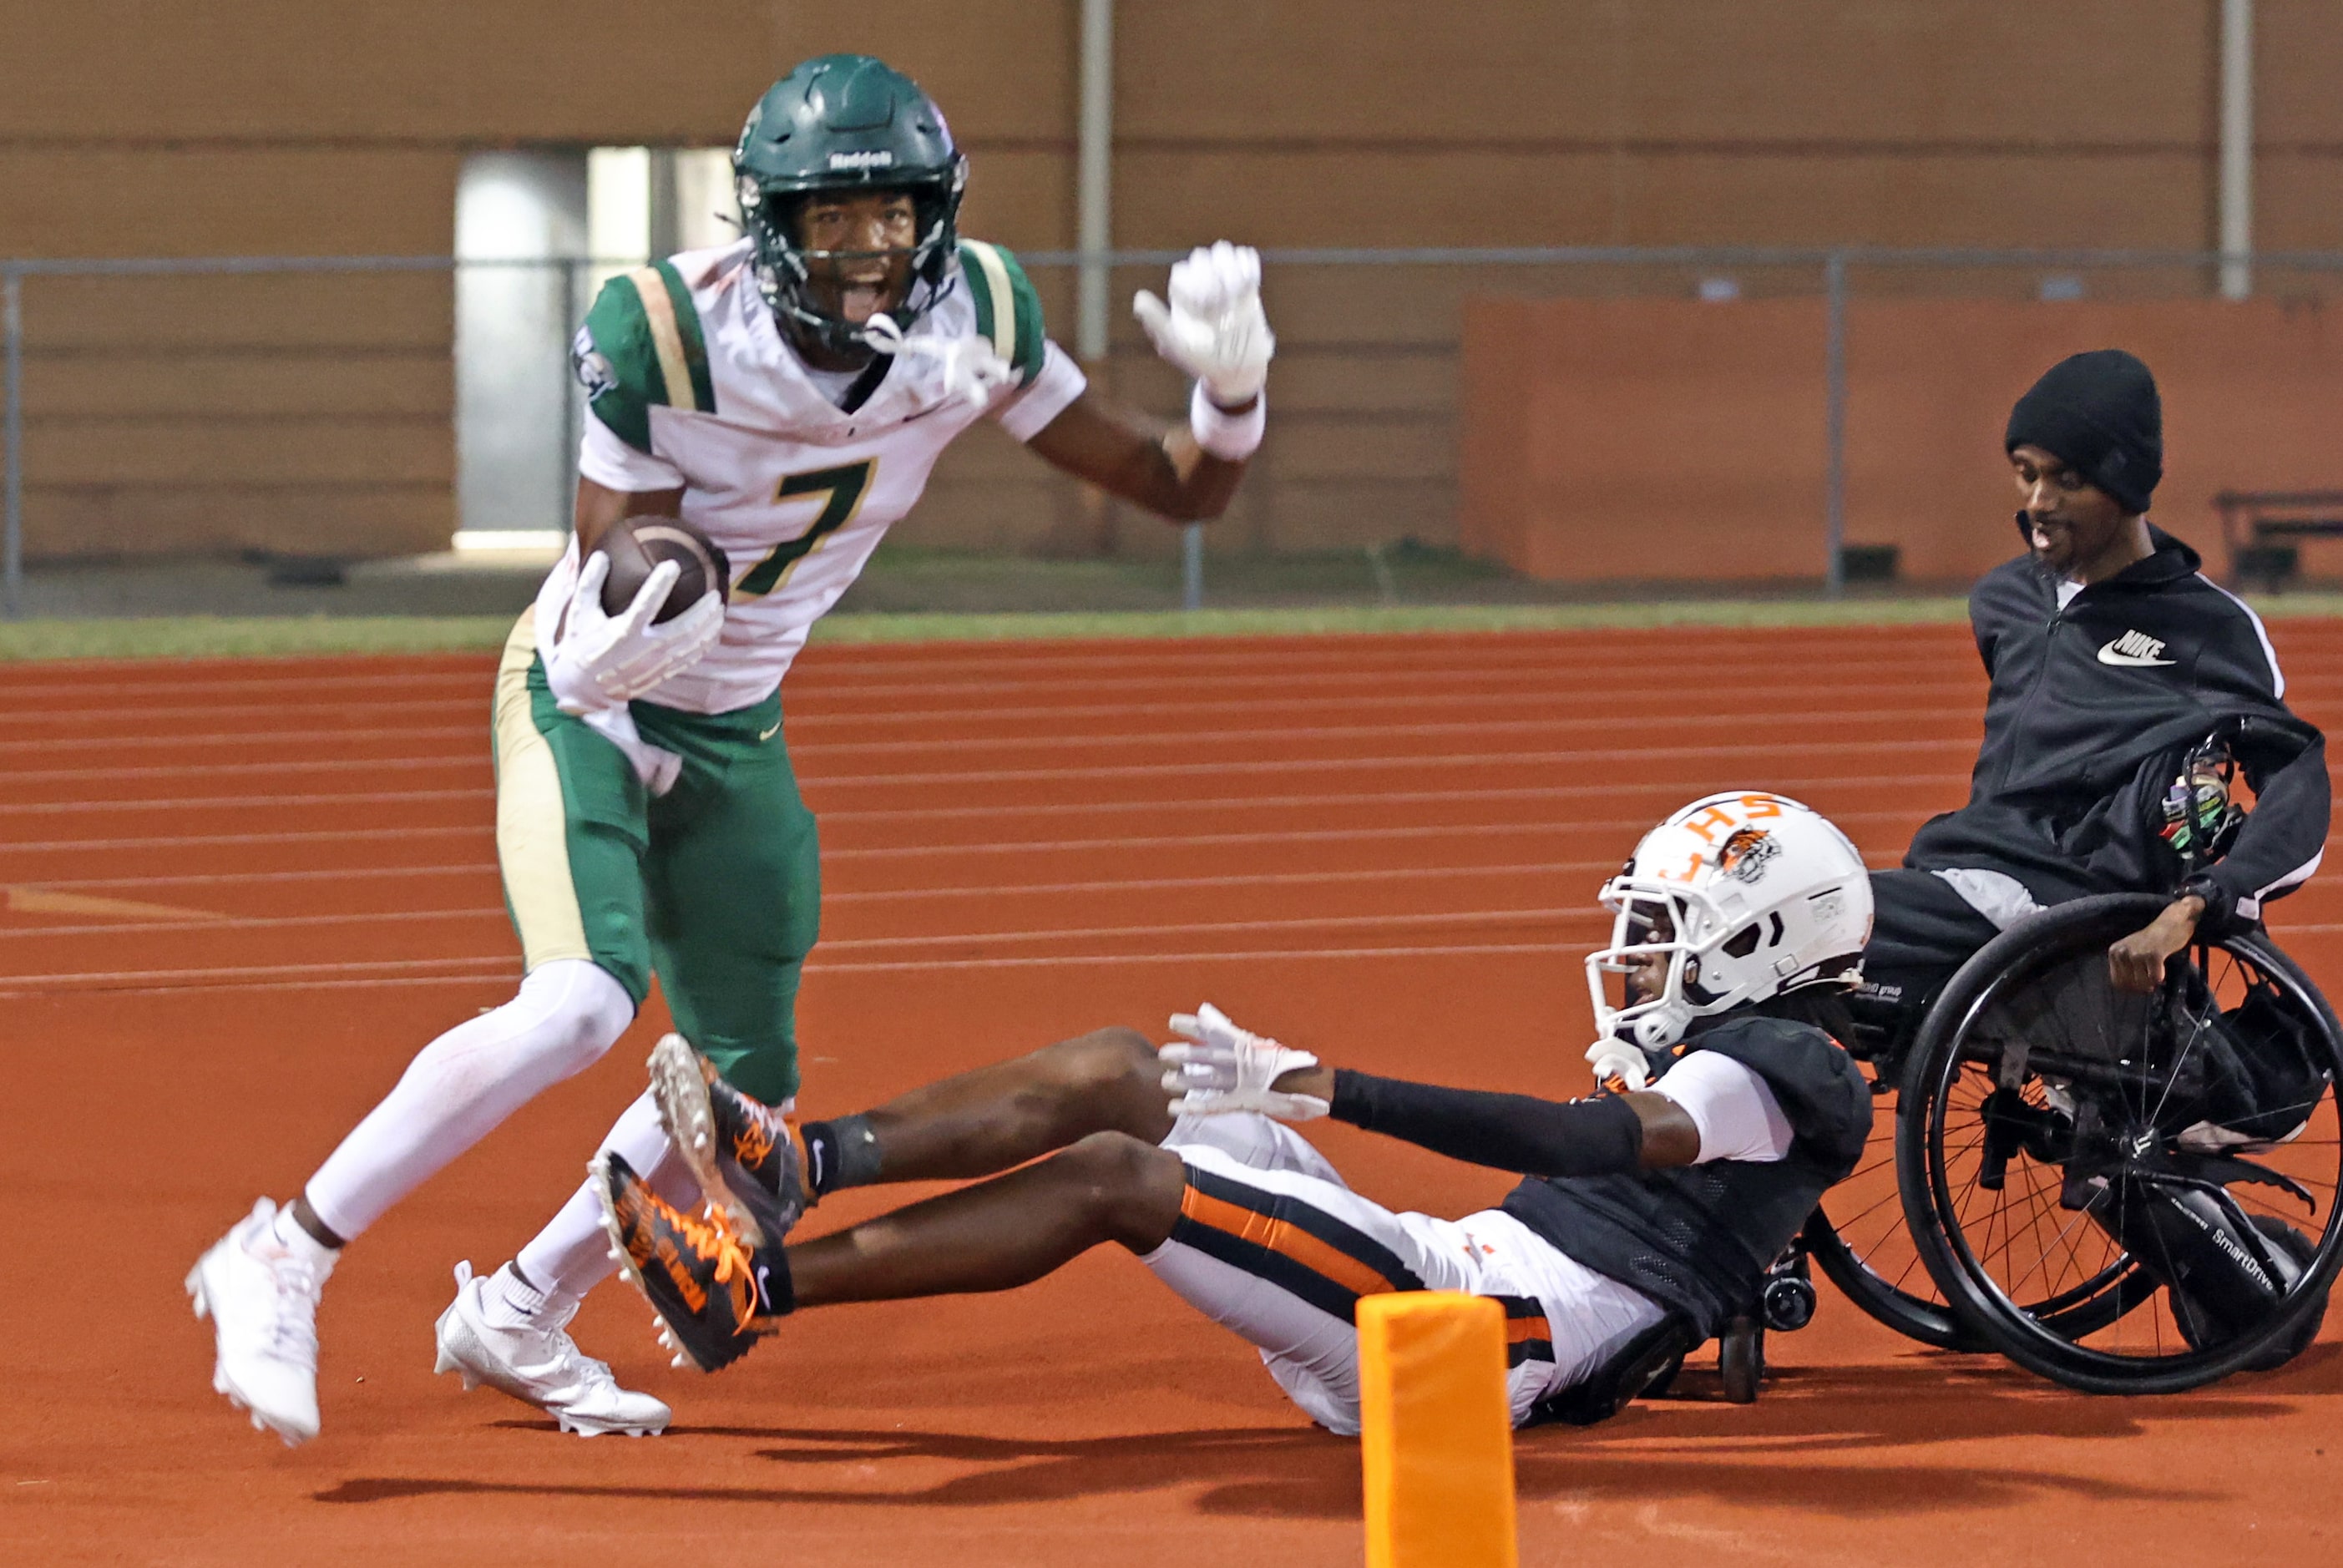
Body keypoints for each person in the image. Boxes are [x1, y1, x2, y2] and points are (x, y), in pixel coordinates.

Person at [187, 53, 1278, 1446]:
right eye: (834, 219)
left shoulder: (985, 312)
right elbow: (611, 529)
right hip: (596, 683)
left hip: (737, 720)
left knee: (746, 1100)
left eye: (893, 215)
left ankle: (517, 1307)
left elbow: (1169, 486)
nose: (871, 250)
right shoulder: (664, 326)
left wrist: (1232, 394)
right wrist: (642, 593)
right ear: (770, 221)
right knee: (584, 1001)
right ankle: (283, 1251)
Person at [591, 793, 1875, 1434]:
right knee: (1130, 1073)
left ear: (1758, 940)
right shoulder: (1738, 1042)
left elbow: (1578, 1142)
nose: (1636, 955)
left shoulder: (1784, 1066)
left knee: (1116, 1175)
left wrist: (1325, 1087)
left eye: (1663, 932)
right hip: (1455, 1269)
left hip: (1479, 1346)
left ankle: (751, 1288)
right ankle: (802, 1159)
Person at [1861, 348, 2328, 1036]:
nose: (2038, 502)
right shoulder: (2004, 599)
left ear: (2126, 488)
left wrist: (2209, 898)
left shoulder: (2206, 627)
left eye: (2067, 480)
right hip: (1966, 871)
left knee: (1799, 922)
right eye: (2027, 475)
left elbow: (2295, 775)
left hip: (2059, 897)